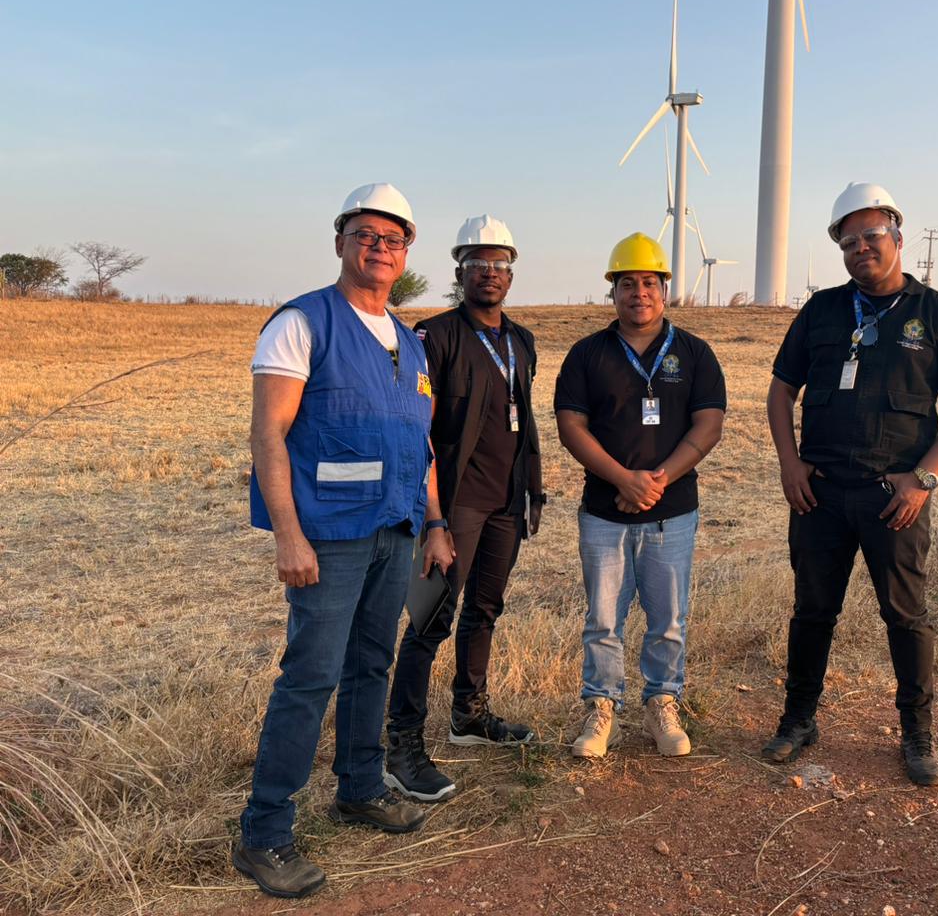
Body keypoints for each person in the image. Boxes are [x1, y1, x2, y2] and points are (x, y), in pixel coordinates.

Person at [234, 183, 451, 899]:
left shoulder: (411, 344)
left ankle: (359, 787)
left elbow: (419, 444)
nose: (379, 248)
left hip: (395, 530)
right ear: (340, 243)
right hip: (326, 537)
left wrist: (434, 523)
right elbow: (268, 435)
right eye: (366, 235)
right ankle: (264, 832)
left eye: (393, 239)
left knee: (371, 665)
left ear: (406, 253)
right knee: (311, 676)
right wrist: (287, 536)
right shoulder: (303, 323)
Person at [762, 183, 938, 786]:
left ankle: (917, 733)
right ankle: (798, 720)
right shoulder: (822, 311)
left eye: (871, 235)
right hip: (818, 493)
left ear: (898, 236)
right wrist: (789, 463)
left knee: (906, 616)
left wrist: (924, 479)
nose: (860, 248)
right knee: (812, 612)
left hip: (895, 499)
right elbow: (781, 391)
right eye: (848, 241)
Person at [384, 214, 543, 802]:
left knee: (485, 610)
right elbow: (417, 431)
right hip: (454, 506)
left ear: (511, 274)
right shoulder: (434, 337)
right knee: (430, 620)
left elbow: (521, 421)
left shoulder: (521, 341)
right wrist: (434, 519)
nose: (490, 273)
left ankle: (469, 715)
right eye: (478, 264)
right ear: (460, 273)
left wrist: (531, 491)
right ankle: (402, 743)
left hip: (506, 502)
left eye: (500, 264)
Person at [554, 233, 726, 759]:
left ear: (665, 289)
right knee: (602, 620)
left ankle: (662, 702)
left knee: (668, 618)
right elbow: (571, 426)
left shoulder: (695, 353)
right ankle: (601, 707)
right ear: (613, 291)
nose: (639, 293)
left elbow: (709, 425)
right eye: (627, 283)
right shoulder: (587, 354)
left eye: (649, 282)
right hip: (604, 514)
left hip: (672, 513)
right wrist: (622, 479)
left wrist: (655, 482)